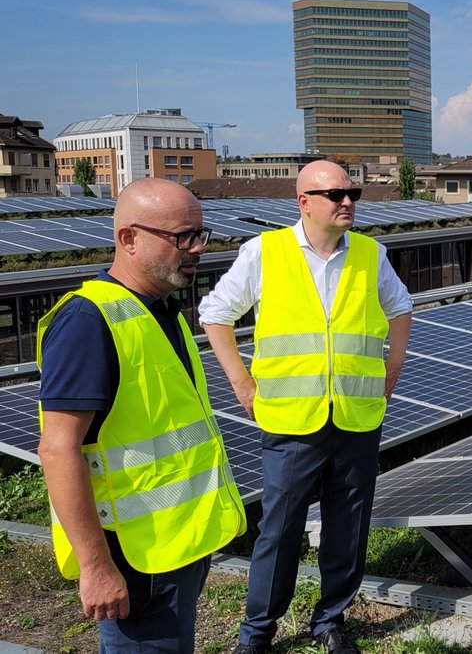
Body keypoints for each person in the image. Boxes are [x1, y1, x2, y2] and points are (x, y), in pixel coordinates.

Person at [199, 160, 412, 654]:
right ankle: (257, 633)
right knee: (280, 527)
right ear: (304, 202)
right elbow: (215, 314)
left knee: (349, 524)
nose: (347, 201)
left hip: (357, 417)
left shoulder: (369, 253)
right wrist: (240, 383)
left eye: (351, 192)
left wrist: (392, 368)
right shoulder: (264, 252)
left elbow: (400, 306)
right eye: (335, 193)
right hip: (291, 419)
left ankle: (330, 620)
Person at [37, 178, 247, 653]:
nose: (196, 249)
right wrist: (95, 567)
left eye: (201, 235)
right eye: (181, 238)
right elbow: (57, 448)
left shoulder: (159, 310)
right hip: (134, 561)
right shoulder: (89, 322)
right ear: (129, 238)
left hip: (173, 548)